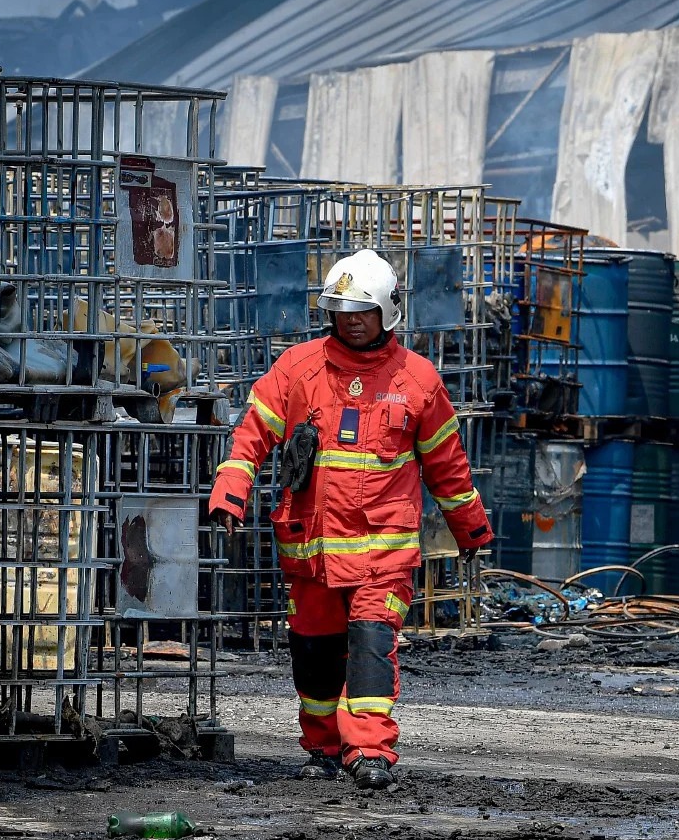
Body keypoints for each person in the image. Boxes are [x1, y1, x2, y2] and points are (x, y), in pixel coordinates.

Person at [208, 248, 493, 790]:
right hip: (310, 550)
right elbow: (250, 436)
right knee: (314, 657)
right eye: (341, 310)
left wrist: (470, 528)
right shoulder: (298, 370)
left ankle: (369, 752)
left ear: (387, 312)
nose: (351, 321)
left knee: (368, 649)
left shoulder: (418, 381)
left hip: (381, 556)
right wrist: (230, 494)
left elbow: (447, 467)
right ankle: (322, 746)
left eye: (361, 311)